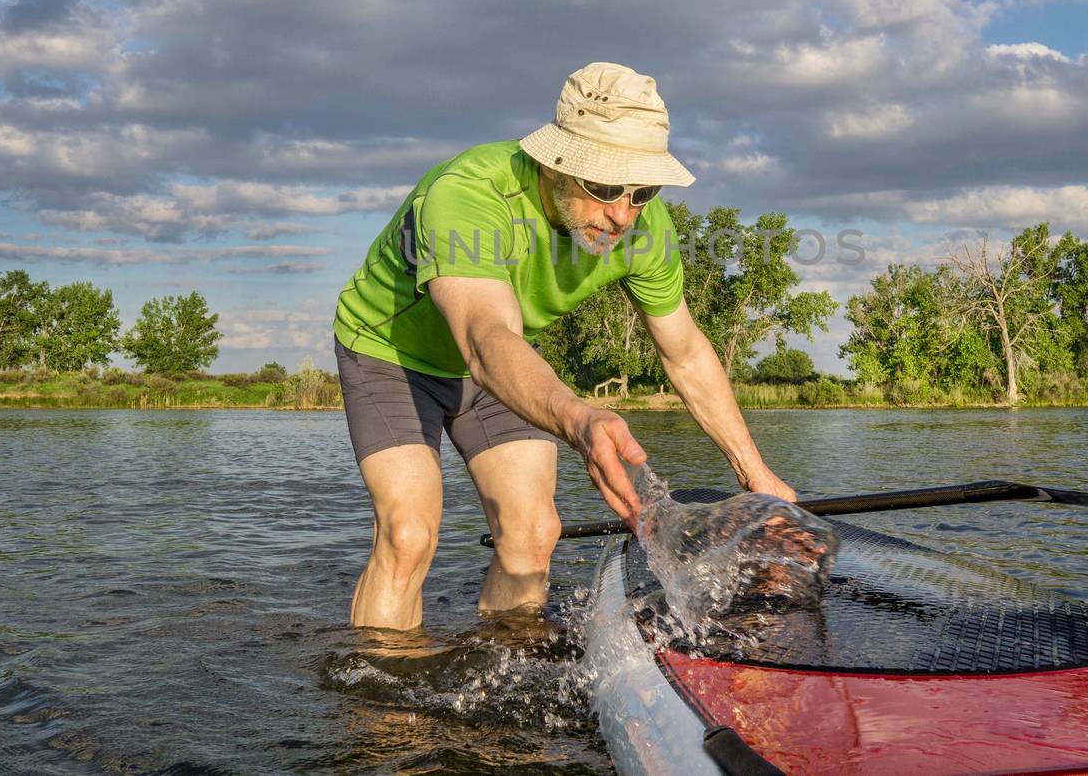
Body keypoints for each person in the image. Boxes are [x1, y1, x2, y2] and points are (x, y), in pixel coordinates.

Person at [332, 61, 796, 629]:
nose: (622, 215)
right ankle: (376, 708)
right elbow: (484, 337)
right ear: (556, 163)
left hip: (505, 365)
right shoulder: (468, 196)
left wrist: (757, 475)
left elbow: (686, 352)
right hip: (392, 354)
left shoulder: (644, 228)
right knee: (408, 535)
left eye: (642, 190)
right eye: (602, 187)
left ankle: (503, 682)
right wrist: (577, 418)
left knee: (534, 533)